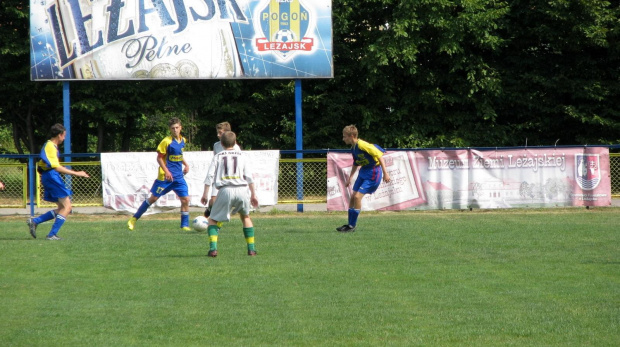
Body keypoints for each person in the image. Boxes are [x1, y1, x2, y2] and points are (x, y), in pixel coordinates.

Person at [27, 123, 90, 240]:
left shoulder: (51, 146)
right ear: (59, 135)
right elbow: (55, 166)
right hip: (51, 176)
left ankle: (35, 221)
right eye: (64, 135)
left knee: (62, 207)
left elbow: (44, 164)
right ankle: (51, 234)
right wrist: (77, 173)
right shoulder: (50, 146)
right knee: (67, 207)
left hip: (49, 176)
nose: (64, 138)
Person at [200, 131, 258, 257]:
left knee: (213, 219)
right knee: (245, 217)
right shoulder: (242, 156)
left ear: (221, 143)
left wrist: (205, 194)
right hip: (242, 189)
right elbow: (249, 177)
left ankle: (213, 249)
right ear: (235, 142)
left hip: (225, 189)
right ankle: (251, 249)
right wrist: (253, 195)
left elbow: (209, 176)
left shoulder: (218, 156)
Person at [127, 117, 191, 231]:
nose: (175, 130)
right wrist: (167, 171)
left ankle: (184, 225)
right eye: (173, 128)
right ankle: (133, 219)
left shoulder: (183, 140)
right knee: (153, 199)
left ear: (181, 128)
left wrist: (186, 164)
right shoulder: (166, 141)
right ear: (169, 129)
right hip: (165, 178)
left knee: (185, 199)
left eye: (177, 127)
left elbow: (179, 155)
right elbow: (159, 158)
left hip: (178, 177)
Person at [336, 125, 391, 232]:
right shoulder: (353, 148)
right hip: (364, 171)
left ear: (351, 136)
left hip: (373, 172)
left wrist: (385, 173)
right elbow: (356, 163)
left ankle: (352, 226)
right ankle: (349, 225)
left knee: (357, 197)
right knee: (352, 197)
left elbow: (379, 155)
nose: (343, 139)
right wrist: (350, 178)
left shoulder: (362, 144)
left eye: (344, 136)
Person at [204, 121, 241, 218]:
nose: (218, 135)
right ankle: (210, 209)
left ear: (227, 133)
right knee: (213, 201)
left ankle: (214, 222)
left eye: (220, 132)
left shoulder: (236, 148)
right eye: (217, 132)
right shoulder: (216, 145)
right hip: (219, 177)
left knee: (225, 203)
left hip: (230, 179)